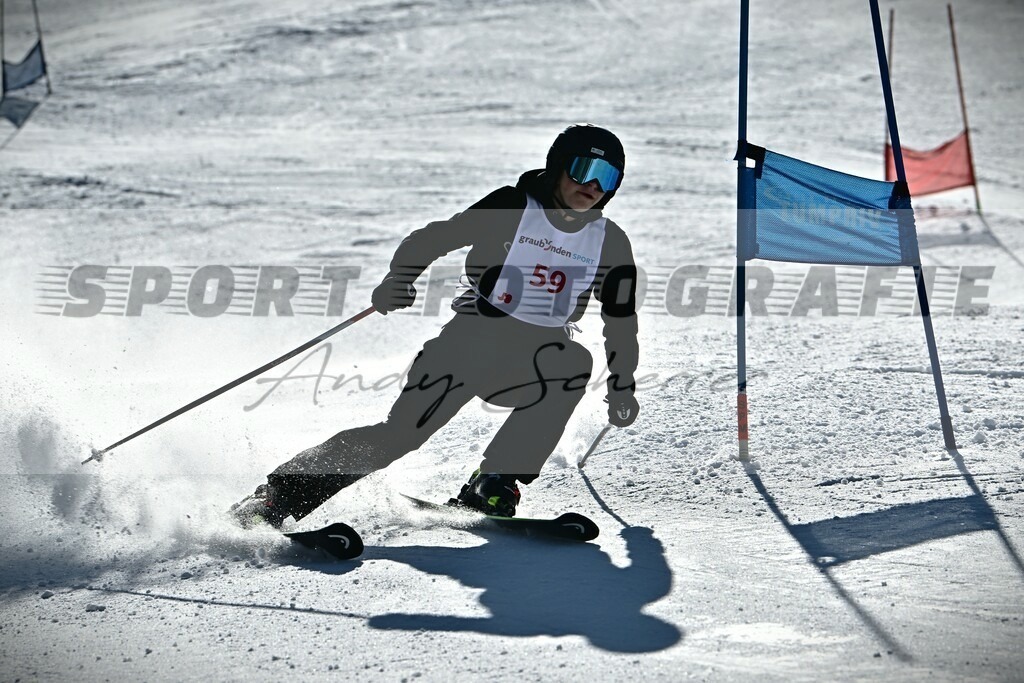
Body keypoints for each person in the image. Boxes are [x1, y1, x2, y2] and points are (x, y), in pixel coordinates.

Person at [231, 123, 640, 527]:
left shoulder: (608, 241)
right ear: (558, 167)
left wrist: (622, 384)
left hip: (534, 356)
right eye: (583, 170)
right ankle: (277, 496)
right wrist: (400, 279)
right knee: (399, 437)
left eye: (606, 177)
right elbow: (434, 238)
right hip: (470, 344)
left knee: (571, 361)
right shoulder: (514, 206)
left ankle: (495, 481)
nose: (592, 185)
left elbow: (620, 319)